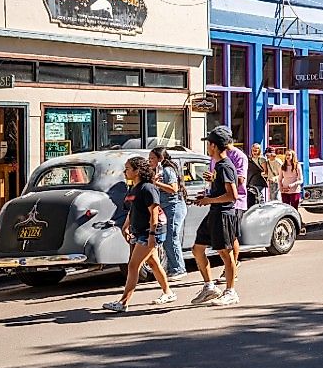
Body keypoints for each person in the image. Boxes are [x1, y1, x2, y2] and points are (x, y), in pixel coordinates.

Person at [103, 157, 174, 312]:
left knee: (133, 265)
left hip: (150, 232)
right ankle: (168, 292)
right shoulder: (134, 188)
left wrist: (152, 234)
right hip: (141, 230)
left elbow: (154, 213)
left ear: (137, 171)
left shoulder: (148, 188)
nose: (124, 171)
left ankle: (123, 303)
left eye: (128, 168)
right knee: (153, 263)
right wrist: (125, 227)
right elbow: (132, 209)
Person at [192, 129, 241, 306]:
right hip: (214, 212)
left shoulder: (225, 166)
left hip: (224, 214)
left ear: (213, 145)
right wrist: (207, 195)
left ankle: (231, 291)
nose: (207, 146)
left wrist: (208, 200)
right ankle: (209, 287)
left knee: (225, 254)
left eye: (208, 143)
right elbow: (221, 190)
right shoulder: (218, 167)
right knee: (197, 249)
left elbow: (232, 195)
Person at [149, 147, 187, 280]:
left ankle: (178, 268)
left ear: (161, 158)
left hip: (174, 207)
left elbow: (173, 189)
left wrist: (157, 183)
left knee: (171, 237)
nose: (150, 161)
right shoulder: (157, 171)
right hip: (165, 207)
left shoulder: (168, 170)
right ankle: (173, 267)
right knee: (167, 238)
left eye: (152, 158)